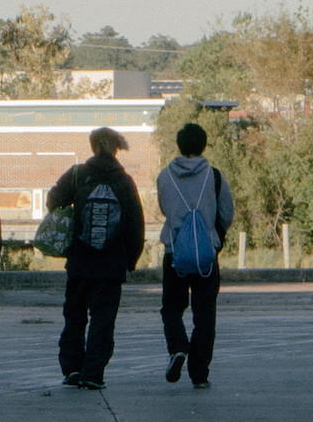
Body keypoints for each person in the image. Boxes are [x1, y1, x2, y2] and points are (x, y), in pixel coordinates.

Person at [44, 126, 144, 389]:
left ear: (93, 146)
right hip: (111, 265)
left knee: (74, 316)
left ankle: (72, 369)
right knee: (103, 320)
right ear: (115, 148)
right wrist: (130, 260)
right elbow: (135, 224)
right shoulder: (124, 181)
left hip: (79, 261)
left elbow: (53, 199)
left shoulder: (78, 174)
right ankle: (93, 373)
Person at [154, 121, 233, 388]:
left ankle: (178, 347)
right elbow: (227, 213)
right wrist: (214, 239)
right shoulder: (215, 176)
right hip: (205, 257)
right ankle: (199, 374)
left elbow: (165, 208)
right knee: (205, 314)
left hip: (175, 252)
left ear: (178, 145)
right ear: (203, 145)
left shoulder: (165, 176)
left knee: (172, 308)